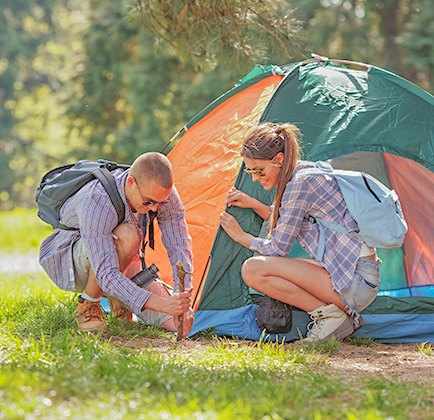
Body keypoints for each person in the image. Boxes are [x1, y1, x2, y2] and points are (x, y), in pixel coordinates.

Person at [219, 122, 381, 343]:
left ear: (278, 160)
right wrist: (255, 205)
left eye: (259, 170)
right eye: (250, 171)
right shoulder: (305, 172)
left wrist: (241, 236)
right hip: (360, 275)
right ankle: (338, 314)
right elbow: (289, 221)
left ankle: (329, 317)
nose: (255, 178)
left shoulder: (299, 184)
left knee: (253, 269)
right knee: (271, 266)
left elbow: (278, 248)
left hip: (356, 282)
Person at [39, 152, 194, 338]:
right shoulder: (96, 198)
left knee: (180, 325)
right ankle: (87, 306)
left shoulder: (162, 196)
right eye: (149, 202)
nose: (154, 208)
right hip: (76, 260)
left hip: (121, 262)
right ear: (131, 183)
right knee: (128, 236)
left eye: (159, 203)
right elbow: (106, 274)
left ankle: (119, 301)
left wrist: (181, 297)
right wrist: (162, 304)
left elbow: (179, 246)